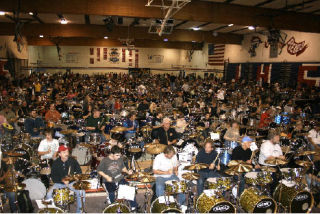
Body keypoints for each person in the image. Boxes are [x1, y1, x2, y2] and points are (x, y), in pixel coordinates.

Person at [46, 145, 85, 213]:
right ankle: (54, 211)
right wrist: (62, 180)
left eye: (67, 151)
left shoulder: (73, 161)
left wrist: (72, 179)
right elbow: (53, 177)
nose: (66, 153)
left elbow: (79, 172)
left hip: (71, 183)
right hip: (59, 183)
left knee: (82, 192)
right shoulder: (55, 163)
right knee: (49, 195)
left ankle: (79, 212)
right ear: (59, 154)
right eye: (64, 152)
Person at [97, 146, 137, 210]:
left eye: (119, 155)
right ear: (112, 154)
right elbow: (99, 170)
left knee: (129, 189)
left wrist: (127, 171)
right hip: (109, 180)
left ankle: (134, 207)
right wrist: (106, 176)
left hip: (119, 178)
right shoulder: (105, 160)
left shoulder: (120, 159)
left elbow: (123, 168)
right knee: (112, 192)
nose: (119, 157)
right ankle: (114, 207)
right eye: (117, 155)